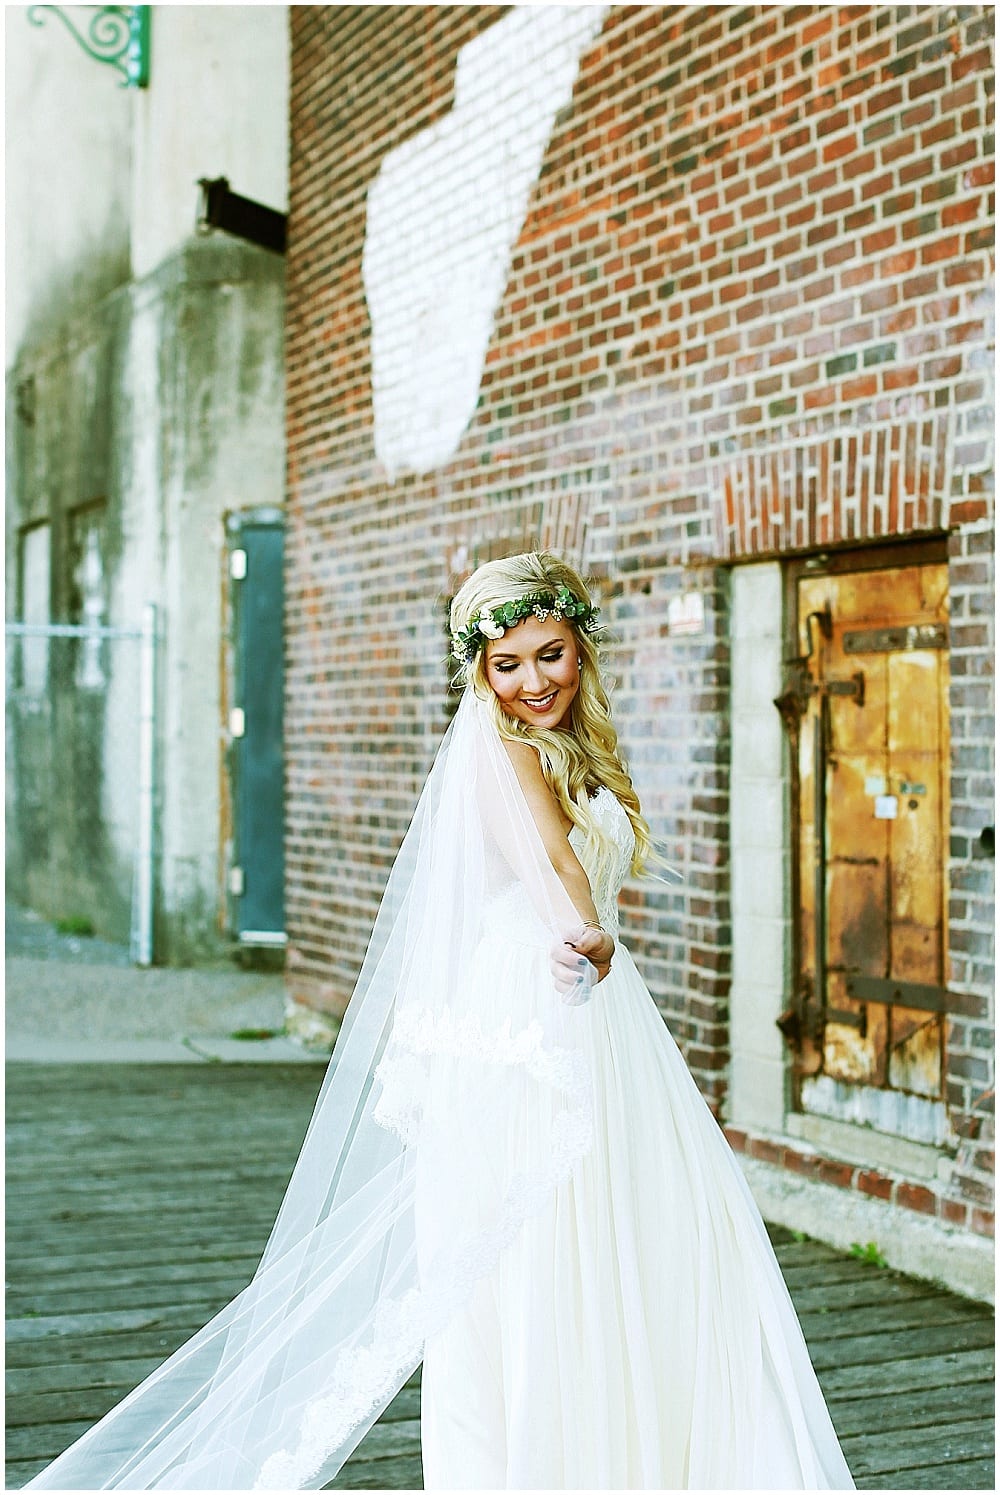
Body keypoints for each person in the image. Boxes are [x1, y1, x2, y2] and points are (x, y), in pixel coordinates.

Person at [26, 550, 854, 1491]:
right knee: (540, 1260)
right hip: (533, 1009)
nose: (533, 681)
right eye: (508, 664)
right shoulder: (499, 750)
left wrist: (591, 945)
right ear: (479, 670)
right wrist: (583, 935)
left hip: (593, 1005)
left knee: (640, 1234)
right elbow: (552, 865)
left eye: (551, 654)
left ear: (581, 646)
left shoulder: (569, 744)